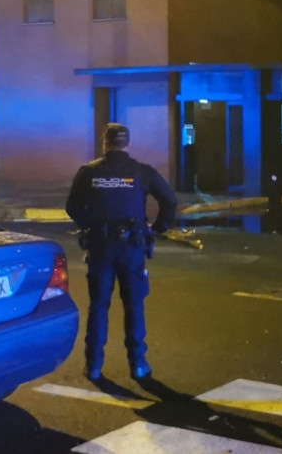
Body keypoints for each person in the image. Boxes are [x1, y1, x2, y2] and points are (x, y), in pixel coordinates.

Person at [66, 123, 178, 381]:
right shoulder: (141, 171)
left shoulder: (89, 172)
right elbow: (169, 200)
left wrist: (92, 226)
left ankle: (93, 366)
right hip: (132, 248)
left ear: (104, 143)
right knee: (134, 306)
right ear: (127, 144)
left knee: (98, 307)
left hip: (101, 248)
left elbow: (72, 207)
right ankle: (138, 364)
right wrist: (155, 229)